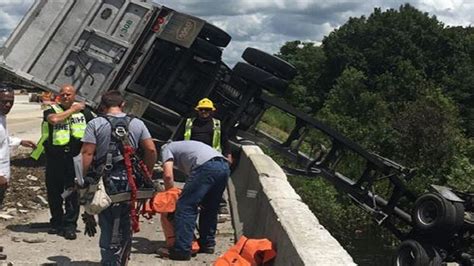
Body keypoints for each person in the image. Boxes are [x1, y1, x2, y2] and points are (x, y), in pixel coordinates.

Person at [81, 90, 157, 265]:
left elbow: (87, 153)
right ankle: (122, 259)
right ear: (122, 105)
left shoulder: (95, 123)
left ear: (103, 106)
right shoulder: (137, 123)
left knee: (108, 225)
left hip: (106, 183)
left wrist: (82, 180)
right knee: (127, 221)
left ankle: (110, 261)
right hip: (130, 182)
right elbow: (151, 150)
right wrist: (147, 175)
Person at [31, 84, 94, 240]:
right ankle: (56, 222)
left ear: (74, 95)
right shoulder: (51, 111)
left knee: (72, 192)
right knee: (54, 192)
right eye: (63, 94)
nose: (66, 97)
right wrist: (73, 110)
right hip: (55, 159)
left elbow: (94, 132)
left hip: (75, 159)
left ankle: (70, 225)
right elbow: (53, 120)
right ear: (59, 96)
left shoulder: (85, 113)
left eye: (69, 94)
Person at [161, 140, 230, 261]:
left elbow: (168, 175)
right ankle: (207, 244)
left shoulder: (167, 149)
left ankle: (181, 250)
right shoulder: (185, 147)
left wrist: (170, 194)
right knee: (210, 207)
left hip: (205, 166)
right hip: (223, 166)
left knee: (185, 206)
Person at [176, 98, 232, 215]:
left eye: (207, 110)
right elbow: (178, 138)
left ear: (212, 111)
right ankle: (192, 203)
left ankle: (221, 205)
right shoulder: (189, 123)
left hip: (211, 158)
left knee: (215, 182)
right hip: (192, 157)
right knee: (193, 181)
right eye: (201, 110)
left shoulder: (217, 124)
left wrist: (228, 155)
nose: (204, 112)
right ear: (197, 110)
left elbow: (225, 141)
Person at [0, 83, 36, 260]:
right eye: (5, 101)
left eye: (11, 101)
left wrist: (21, 141)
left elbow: (3, 140)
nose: (8, 105)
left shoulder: (2, 118)